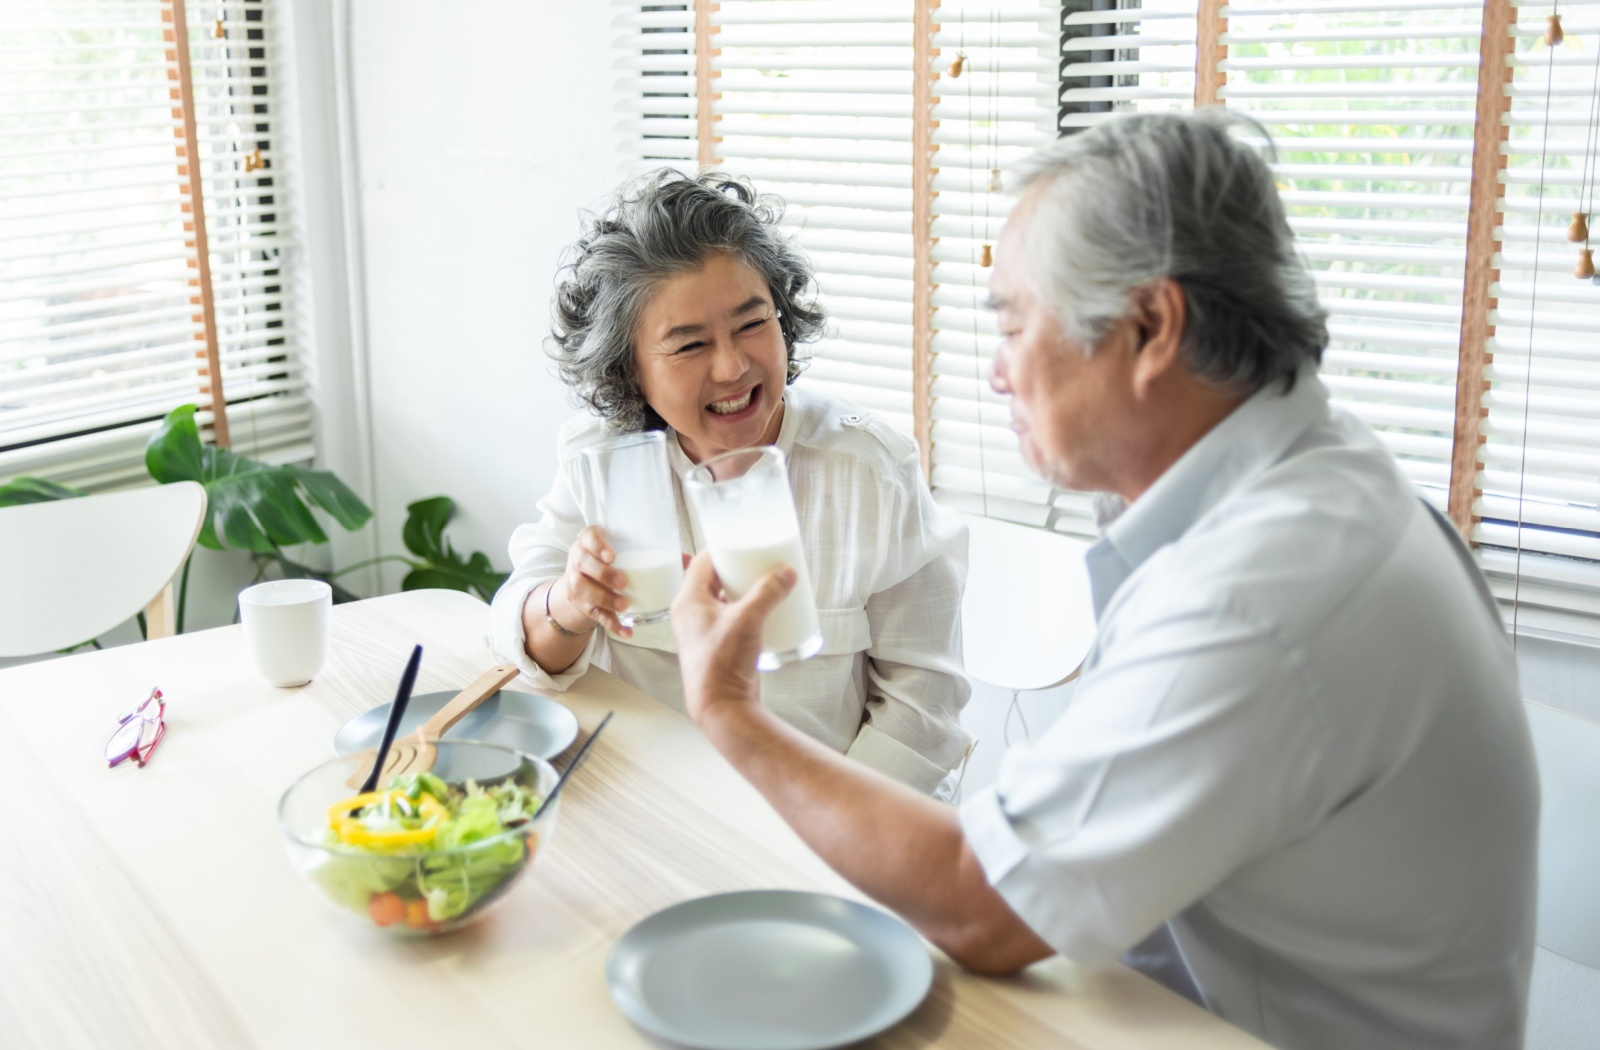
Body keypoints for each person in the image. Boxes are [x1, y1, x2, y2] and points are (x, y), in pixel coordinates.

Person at [667, 110, 1540, 1050]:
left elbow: (982, 909)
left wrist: (729, 711)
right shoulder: (1313, 480)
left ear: (1152, 325)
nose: (998, 373)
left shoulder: (1260, 597)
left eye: (1013, 322)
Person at [488, 169, 972, 795]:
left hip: (823, 818)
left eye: (751, 324)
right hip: (648, 802)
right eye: (689, 346)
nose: (734, 365)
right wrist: (570, 604)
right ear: (628, 370)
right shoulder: (603, 462)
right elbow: (518, 640)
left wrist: (823, 832)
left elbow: (924, 707)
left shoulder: (869, 469)